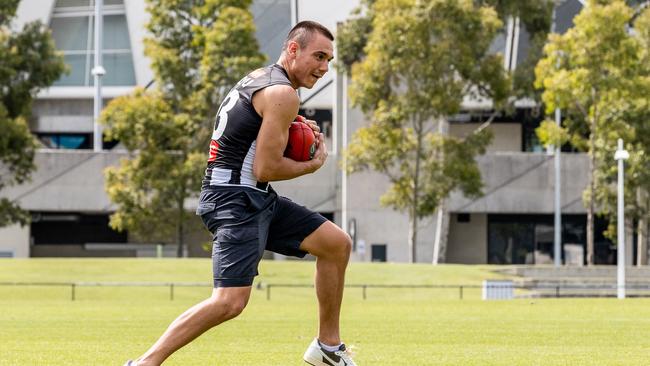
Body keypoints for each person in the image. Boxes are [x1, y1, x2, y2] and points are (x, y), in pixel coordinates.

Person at [124, 21, 357, 366]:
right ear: (293, 49)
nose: (324, 67)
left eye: (329, 60)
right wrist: (312, 164)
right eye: (318, 56)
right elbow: (266, 168)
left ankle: (327, 347)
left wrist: (291, 129)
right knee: (230, 301)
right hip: (235, 199)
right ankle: (143, 363)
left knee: (336, 244)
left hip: (252, 195)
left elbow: (251, 148)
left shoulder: (260, 79)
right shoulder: (282, 94)